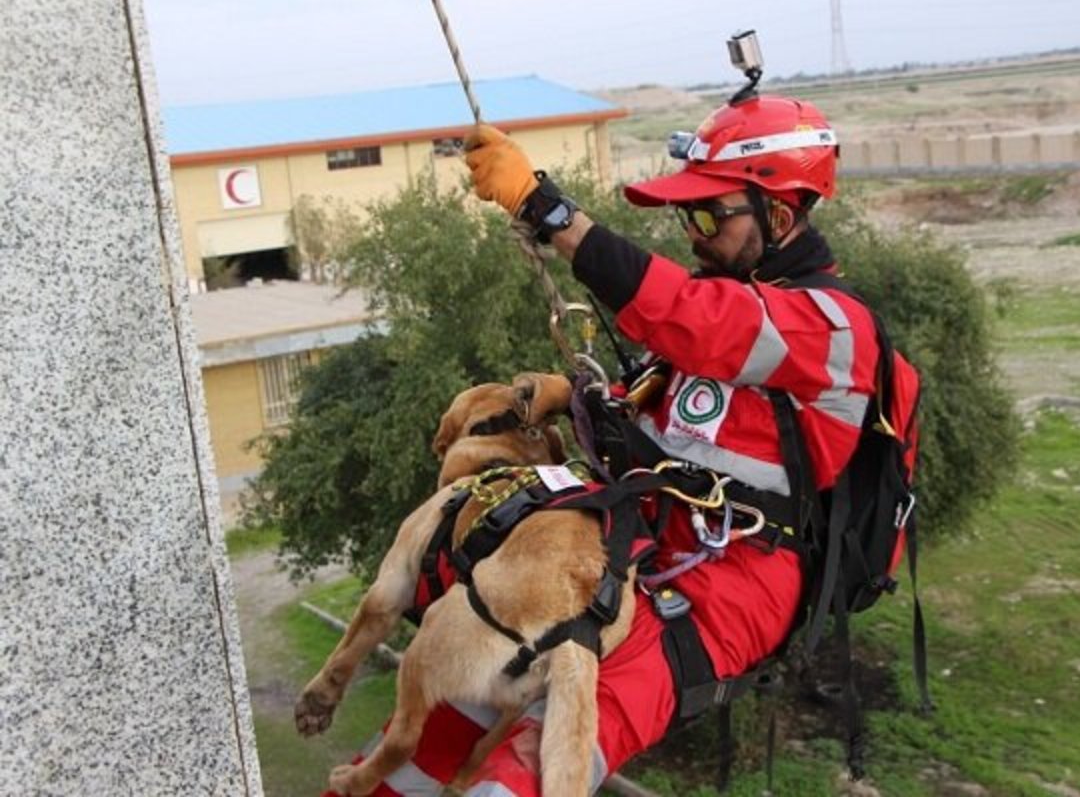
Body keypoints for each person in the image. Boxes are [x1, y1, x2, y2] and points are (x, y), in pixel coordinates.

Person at [330, 95, 882, 797]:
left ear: (779, 215)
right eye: (686, 215)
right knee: (452, 685)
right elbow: (679, 412)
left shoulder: (831, 328)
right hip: (632, 536)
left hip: (732, 582)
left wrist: (544, 208)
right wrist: (577, 394)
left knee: (548, 754)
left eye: (710, 215)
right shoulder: (739, 310)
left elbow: (688, 316)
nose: (693, 234)